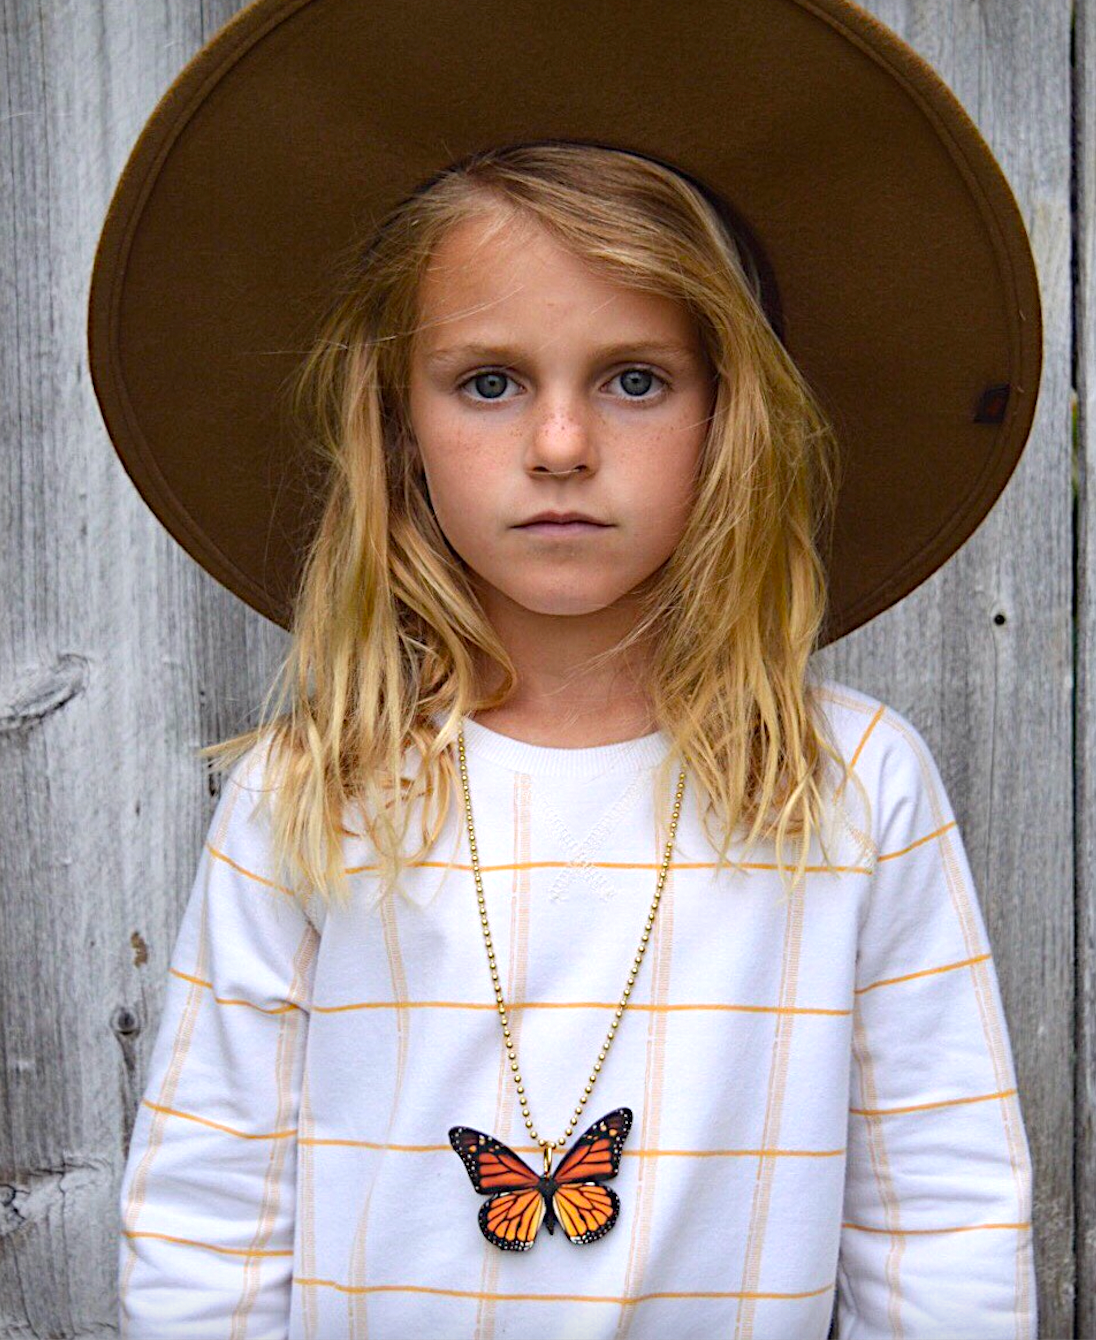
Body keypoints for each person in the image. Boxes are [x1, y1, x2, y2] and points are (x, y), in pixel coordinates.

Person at [90, 6, 1042, 1339]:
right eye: (487, 383)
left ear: (731, 419)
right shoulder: (314, 795)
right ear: (398, 425)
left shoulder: (852, 790)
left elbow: (941, 1220)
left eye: (635, 380)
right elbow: (210, 1218)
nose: (558, 442)